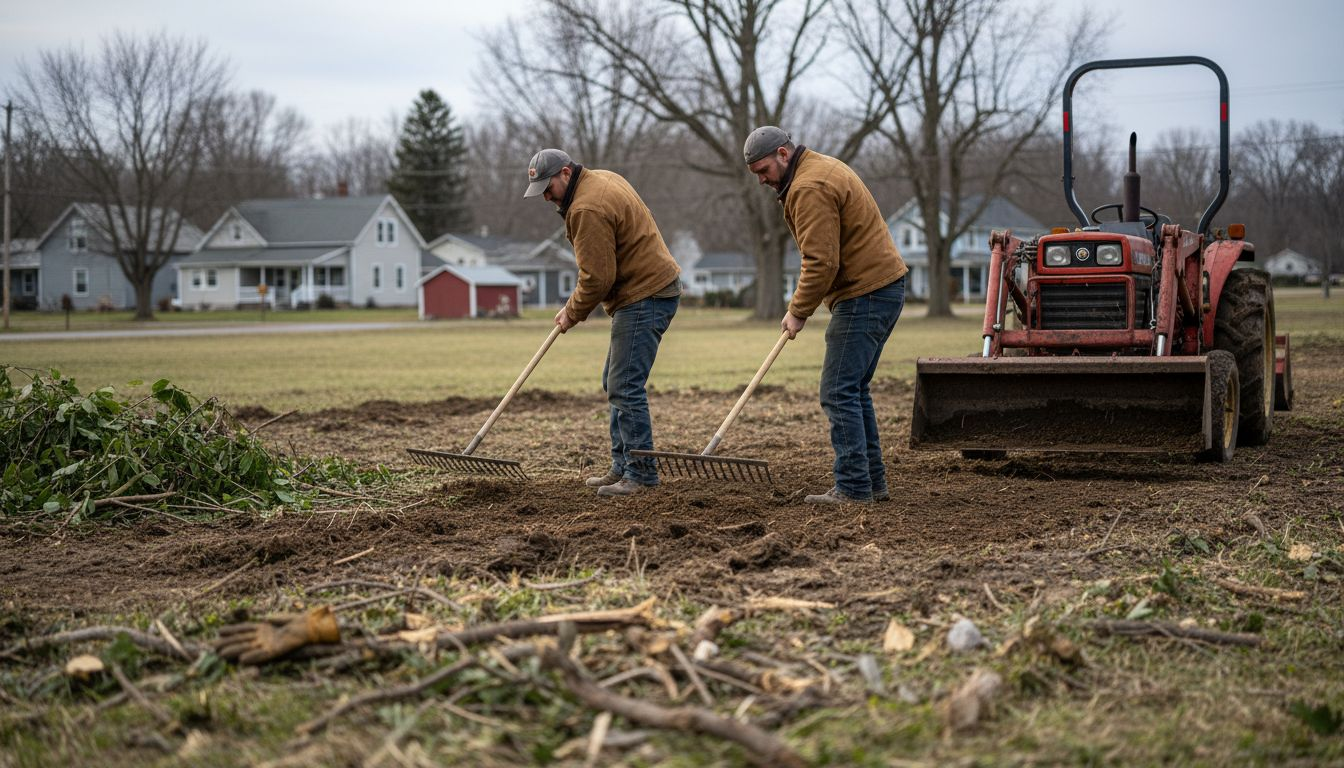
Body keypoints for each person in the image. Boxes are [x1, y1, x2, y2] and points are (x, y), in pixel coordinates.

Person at [743, 126, 909, 505]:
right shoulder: (821, 168)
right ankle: (871, 483)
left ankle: (852, 487)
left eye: (764, 171)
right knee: (853, 389)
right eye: (755, 175)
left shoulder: (808, 186)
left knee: (837, 390)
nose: (762, 181)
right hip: (882, 288)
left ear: (783, 154)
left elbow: (821, 262)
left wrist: (797, 311)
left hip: (864, 294)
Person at [523, 148, 681, 497]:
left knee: (624, 385)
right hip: (648, 290)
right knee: (615, 381)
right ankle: (622, 466)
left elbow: (597, 278)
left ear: (565, 173)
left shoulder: (586, 207)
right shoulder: (602, 178)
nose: (547, 198)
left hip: (645, 294)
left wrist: (572, 311)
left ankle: (641, 474)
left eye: (548, 189)